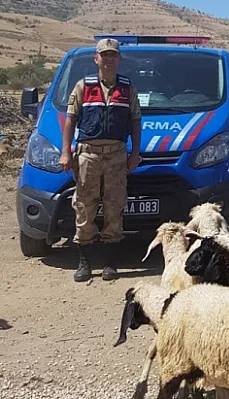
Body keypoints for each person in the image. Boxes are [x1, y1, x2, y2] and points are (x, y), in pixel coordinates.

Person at [58, 38, 142, 282]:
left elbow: (136, 121)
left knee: (115, 207)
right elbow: (70, 119)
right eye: (104, 55)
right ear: (96, 59)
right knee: (85, 206)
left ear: (118, 59)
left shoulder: (127, 88)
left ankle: (110, 262)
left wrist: (134, 152)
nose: (108, 59)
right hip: (88, 155)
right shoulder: (83, 86)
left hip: (116, 154)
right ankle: (84, 262)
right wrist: (66, 151)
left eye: (112, 55)